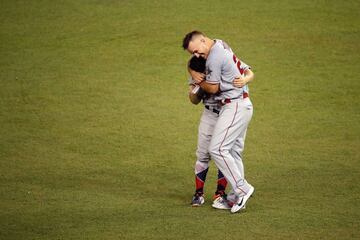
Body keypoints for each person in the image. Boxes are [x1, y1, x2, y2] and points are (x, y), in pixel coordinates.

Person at [183, 30, 255, 213]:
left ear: (202, 40)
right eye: (194, 54)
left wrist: (200, 82)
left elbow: (214, 88)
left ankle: (241, 189)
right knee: (232, 153)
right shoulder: (220, 45)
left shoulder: (215, 56)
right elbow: (195, 92)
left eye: (197, 51)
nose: (197, 55)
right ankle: (234, 197)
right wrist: (192, 72)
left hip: (234, 106)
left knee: (218, 149)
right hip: (236, 105)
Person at [187, 56, 228, 209]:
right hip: (209, 114)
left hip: (228, 114)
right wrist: (195, 89)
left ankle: (220, 194)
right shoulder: (198, 72)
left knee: (224, 154)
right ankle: (198, 193)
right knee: (203, 154)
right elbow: (194, 100)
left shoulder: (223, 69)